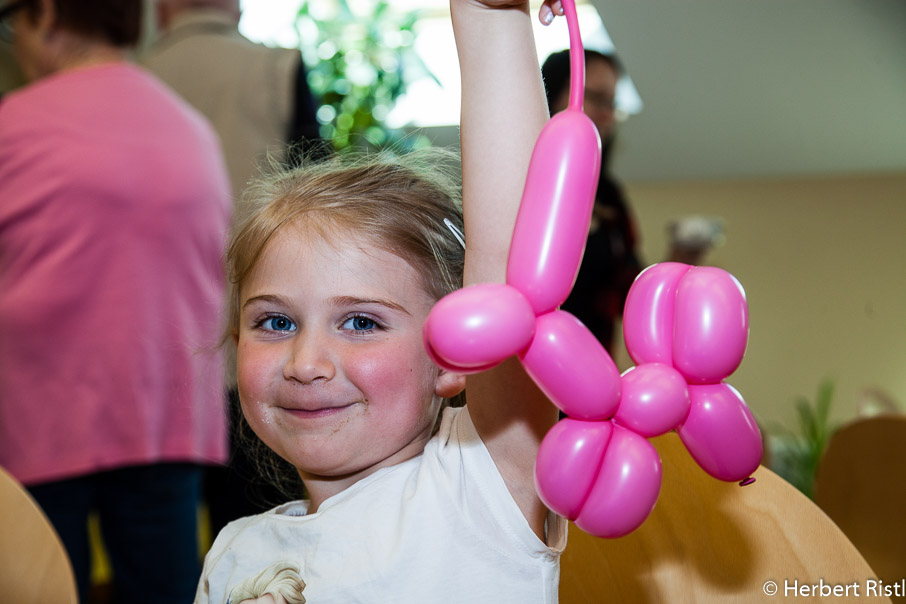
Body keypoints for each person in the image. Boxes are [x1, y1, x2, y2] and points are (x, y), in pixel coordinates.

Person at [196, 1, 567, 602]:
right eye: (276, 320)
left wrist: (488, 17)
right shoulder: (233, 553)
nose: (305, 361)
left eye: (361, 322)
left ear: (454, 352)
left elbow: (514, 277)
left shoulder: (478, 493)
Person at [0, 0, 231, 602]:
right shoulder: (190, 129)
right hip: (167, 416)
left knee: (40, 589)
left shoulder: (13, 125)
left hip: (36, 419)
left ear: (46, 14)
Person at [141, 0, 328, 536]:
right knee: (256, 529)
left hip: (157, 352)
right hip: (259, 339)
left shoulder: (133, 78)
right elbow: (314, 206)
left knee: (160, 538)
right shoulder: (278, 68)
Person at [141, 0, 325, 227]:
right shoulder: (278, 65)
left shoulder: (137, 74)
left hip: (170, 253)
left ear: (160, 12)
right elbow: (315, 176)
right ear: (238, 11)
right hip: (255, 248)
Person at [541, 48, 643, 354]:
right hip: (528, 372)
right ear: (551, 95)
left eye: (612, 104)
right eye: (596, 98)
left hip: (593, 370)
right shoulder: (518, 181)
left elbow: (631, 292)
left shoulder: (610, 195)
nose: (607, 115)